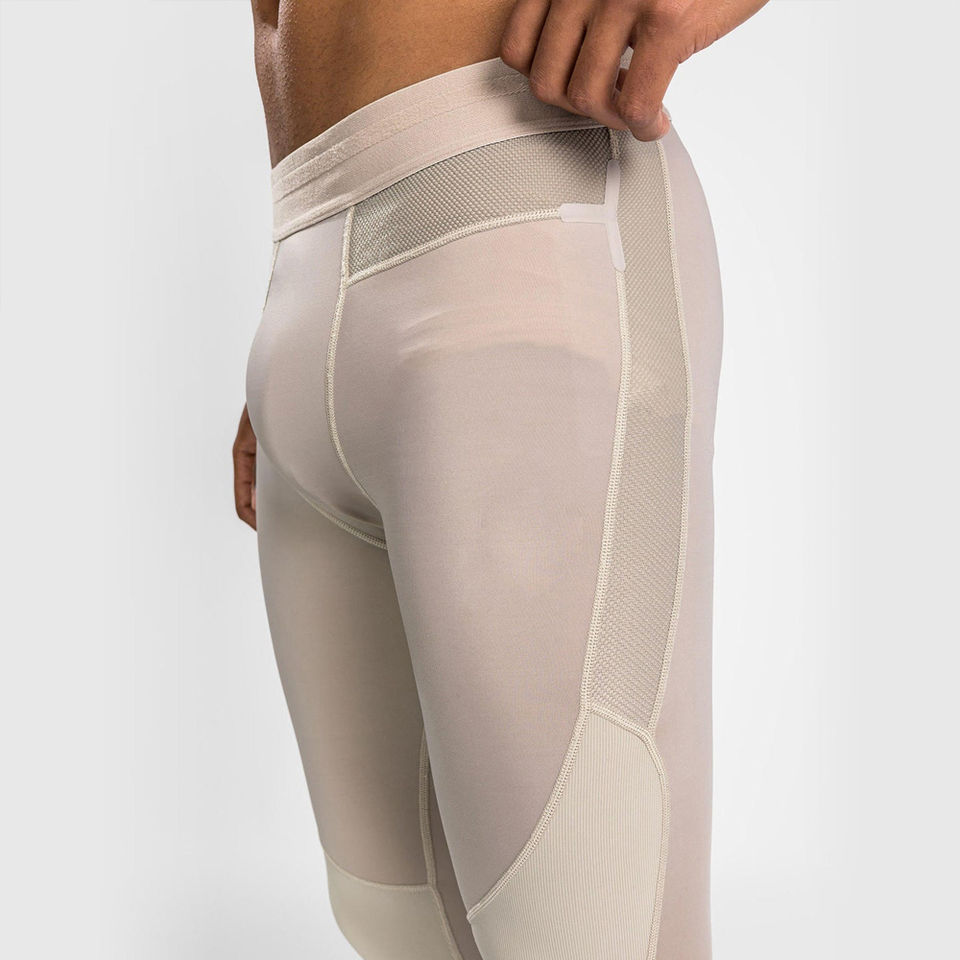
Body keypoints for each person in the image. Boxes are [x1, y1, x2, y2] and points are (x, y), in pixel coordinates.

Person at [232, 2, 767, 958]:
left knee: (581, 928)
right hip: (312, 256)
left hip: (521, 218)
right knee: (395, 923)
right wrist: (308, 339)